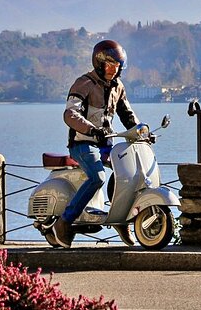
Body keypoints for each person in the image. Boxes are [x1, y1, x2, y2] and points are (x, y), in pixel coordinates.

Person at [52, 39, 139, 248]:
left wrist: (141, 130)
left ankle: (120, 218)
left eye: (117, 67)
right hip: (83, 142)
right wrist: (91, 129)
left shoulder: (118, 86)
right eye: (109, 65)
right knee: (98, 177)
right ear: (98, 63)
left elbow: (127, 114)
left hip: (105, 143)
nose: (112, 70)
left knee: (127, 173)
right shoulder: (84, 83)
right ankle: (64, 222)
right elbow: (70, 114)